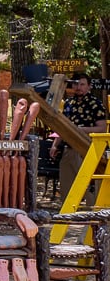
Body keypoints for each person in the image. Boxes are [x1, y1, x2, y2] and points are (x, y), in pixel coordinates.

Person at [55, 72, 107, 206]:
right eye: (76, 83)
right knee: (66, 185)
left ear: (89, 86)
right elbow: (63, 125)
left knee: (88, 186)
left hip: (87, 149)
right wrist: (55, 144)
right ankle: (66, 213)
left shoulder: (95, 103)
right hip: (68, 148)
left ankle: (93, 217)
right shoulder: (68, 103)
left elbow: (102, 128)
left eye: (82, 84)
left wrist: (83, 130)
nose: (78, 87)